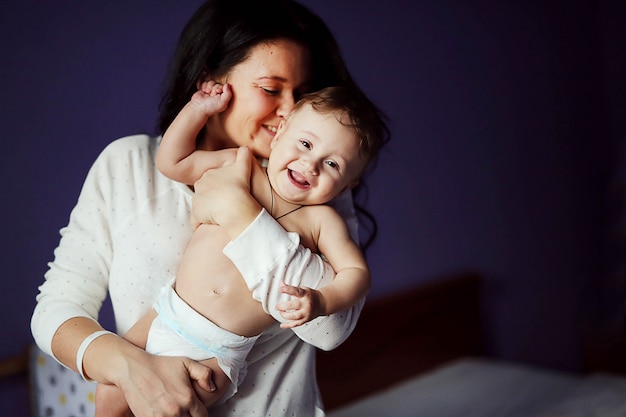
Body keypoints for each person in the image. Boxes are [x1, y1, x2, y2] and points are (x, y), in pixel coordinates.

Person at [30, 0, 390, 416]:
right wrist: (129, 367)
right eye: (272, 89)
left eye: (302, 94)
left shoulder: (318, 190)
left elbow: (330, 331)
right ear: (211, 83)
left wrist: (241, 216)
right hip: (161, 329)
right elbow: (55, 309)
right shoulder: (128, 165)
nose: (290, 110)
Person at [95, 81, 386, 416]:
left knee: (176, 409)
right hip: (165, 312)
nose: (311, 164)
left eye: (333, 164)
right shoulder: (241, 165)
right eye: (305, 143)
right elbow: (172, 161)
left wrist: (322, 300)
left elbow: (357, 274)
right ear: (280, 135)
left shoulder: (322, 221)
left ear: (349, 184)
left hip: (215, 349)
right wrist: (197, 110)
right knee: (109, 394)